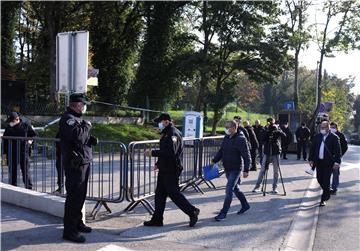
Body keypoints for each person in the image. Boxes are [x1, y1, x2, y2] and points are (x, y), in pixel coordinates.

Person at [143, 113, 200, 227]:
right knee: (159, 194)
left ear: (166, 122)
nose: (159, 124)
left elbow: (171, 152)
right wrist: (158, 163)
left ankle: (192, 211)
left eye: (160, 122)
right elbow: (164, 150)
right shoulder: (166, 133)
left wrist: (152, 153)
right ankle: (157, 219)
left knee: (174, 194)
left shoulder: (172, 133)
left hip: (171, 169)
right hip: (165, 168)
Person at [59, 93, 98, 243]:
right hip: (75, 164)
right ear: (77, 105)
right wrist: (87, 127)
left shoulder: (77, 119)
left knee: (80, 196)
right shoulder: (68, 119)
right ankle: (69, 231)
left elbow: (81, 138)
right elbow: (77, 136)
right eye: (83, 104)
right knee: (74, 197)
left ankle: (78, 222)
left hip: (83, 162)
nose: (85, 107)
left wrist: (90, 139)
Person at [212, 120, 251, 221]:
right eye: (225, 127)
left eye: (228, 127)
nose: (226, 129)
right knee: (235, 189)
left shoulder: (241, 139)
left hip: (236, 168)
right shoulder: (226, 137)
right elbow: (222, 150)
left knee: (229, 190)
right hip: (227, 168)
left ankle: (223, 213)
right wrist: (214, 160)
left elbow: (246, 156)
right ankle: (245, 205)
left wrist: (246, 170)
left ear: (234, 128)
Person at [308, 121, 341, 207]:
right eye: (321, 127)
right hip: (319, 162)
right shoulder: (317, 137)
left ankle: (323, 199)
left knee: (326, 181)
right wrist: (310, 159)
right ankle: (327, 191)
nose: (321, 129)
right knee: (319, 179)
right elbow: (312, 148)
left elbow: (338, 152)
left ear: (328, 128)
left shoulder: (334, 137)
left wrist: (337, 162)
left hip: (328, 163)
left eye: (323, 128)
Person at [2, 112, 36, 189]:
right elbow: (5, 141)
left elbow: (33, 135)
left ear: (17, 119)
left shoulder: (25, 125)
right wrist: (4, 157)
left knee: (25, 171)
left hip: (23, 152)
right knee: (12, 172)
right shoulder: (8, 128)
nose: (10, 123)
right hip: (11, 153)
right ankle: (13, 187)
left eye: (12, 121)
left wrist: (30, 141)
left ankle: (29, 188)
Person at [252, 117, 286, 194]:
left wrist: (278, 130)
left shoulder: (277, 129)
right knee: (262, 170)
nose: (270, 123)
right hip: (267, 152)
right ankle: (258, 186)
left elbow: (285, 136)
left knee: (276, 171)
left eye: (272, 122)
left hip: (276, 152)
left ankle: (274, 187)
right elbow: (262, 139)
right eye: (269, 122)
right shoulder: (265, 129)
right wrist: (266, 131)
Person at [329, 122, 348, 195]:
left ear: (336, 128)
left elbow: (345, 147)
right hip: (328, 158)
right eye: (331, 127)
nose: (332, 129)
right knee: (327, 173)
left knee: (336, 173)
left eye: (333, 127)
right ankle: (327, 188)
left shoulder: (341, 135)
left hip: (337, 158)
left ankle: (334, 188)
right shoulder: (328, 135)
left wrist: (340, 155)